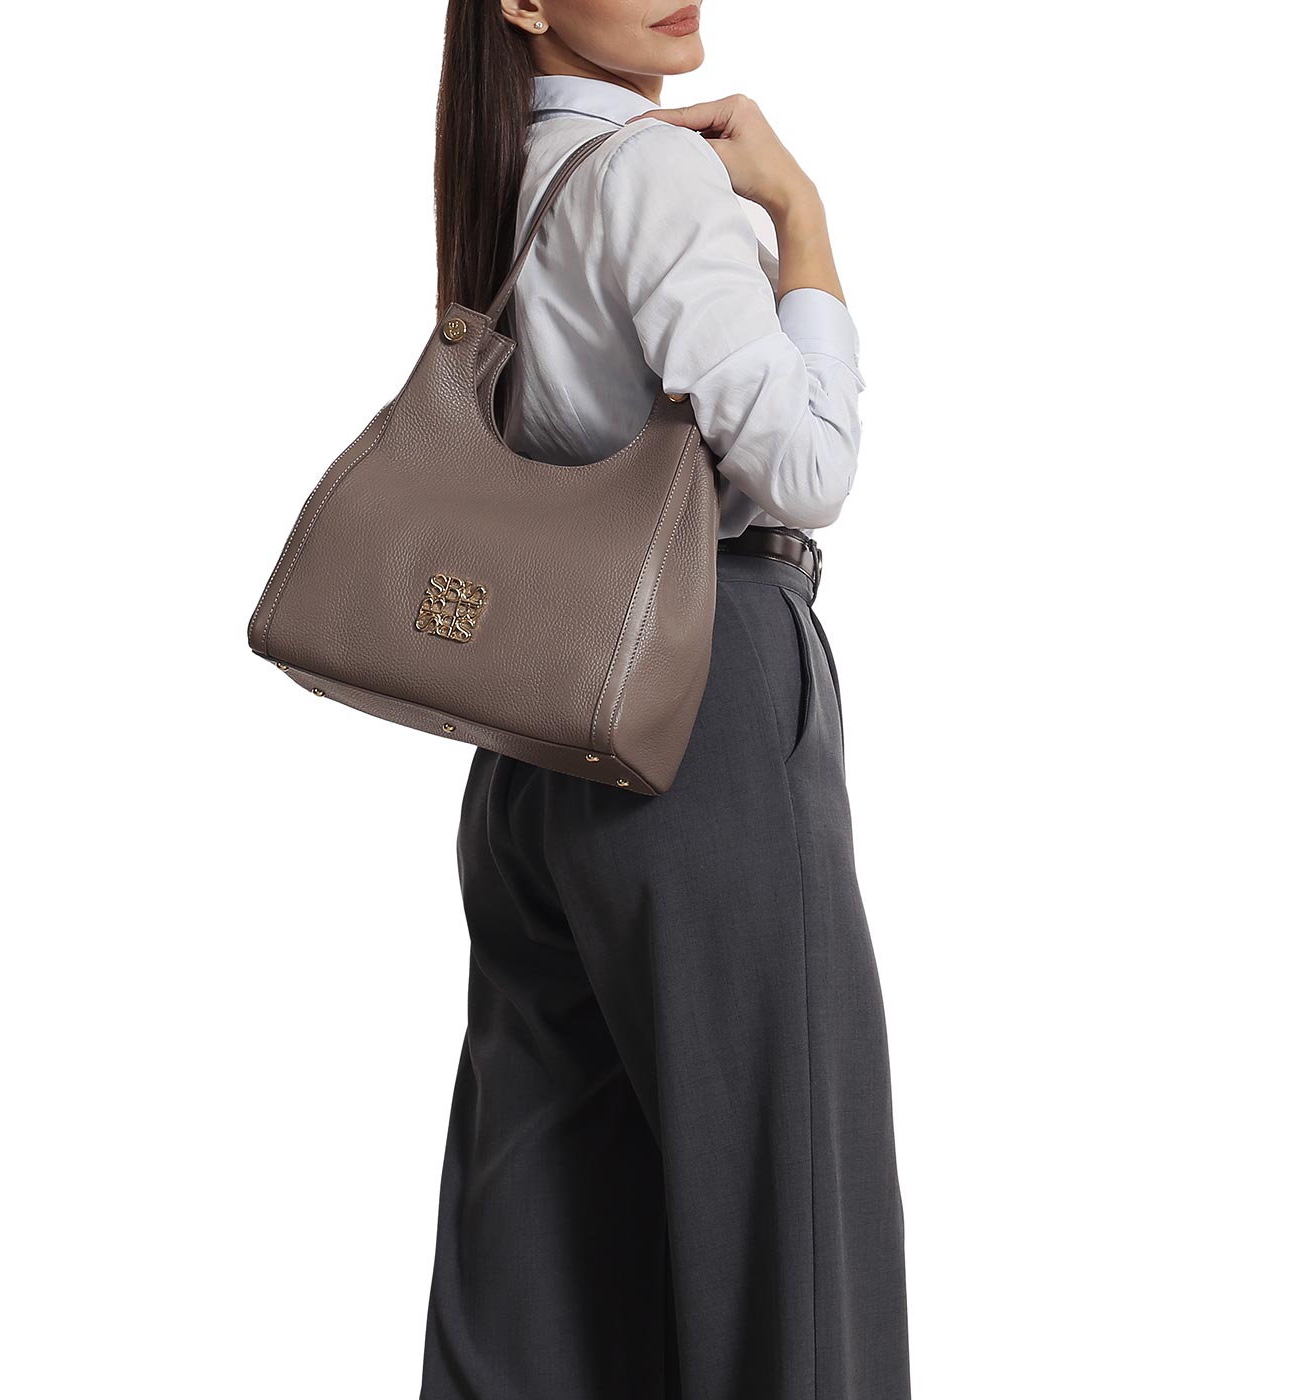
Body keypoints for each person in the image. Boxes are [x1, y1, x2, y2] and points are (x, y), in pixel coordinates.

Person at [420, 3, 910, 1397]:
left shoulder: (504, 175)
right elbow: (805, 468)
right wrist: (802, 221)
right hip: (703, 698)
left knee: (538, 1264)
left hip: (534, 730)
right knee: (785, 1234)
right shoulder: (649, 169)